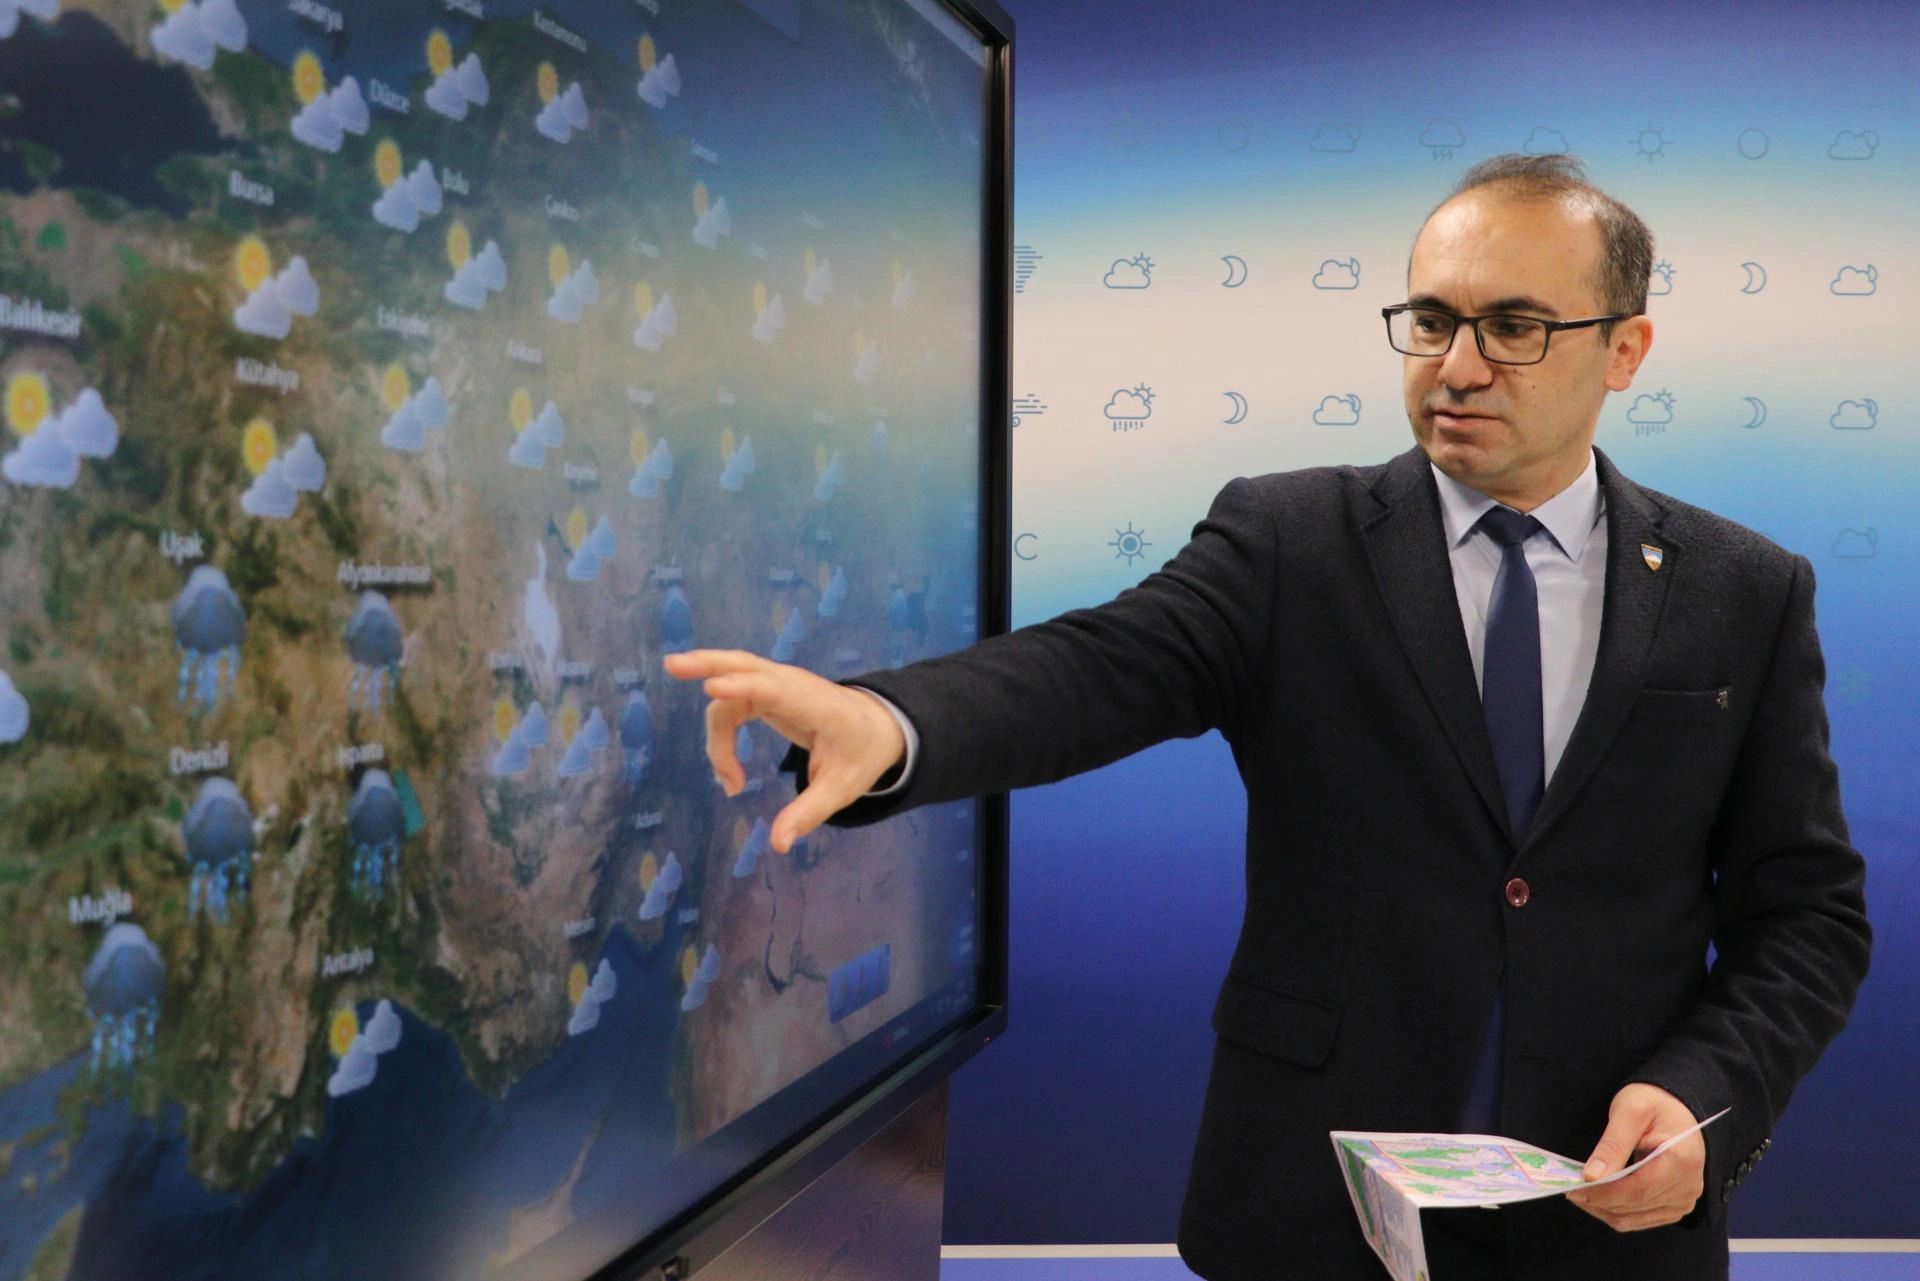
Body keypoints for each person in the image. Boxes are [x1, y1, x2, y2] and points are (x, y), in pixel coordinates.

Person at [663, 154, 1872, 1280]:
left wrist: (1705, 1094)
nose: (1457, 366)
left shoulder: (1743, 592)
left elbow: (1807, 914)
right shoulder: (1292, 542)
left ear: (1624, 350)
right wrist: (893, 723)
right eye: (1432, 320)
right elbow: (1098, 667)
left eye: (1514, 327)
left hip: (1606, 1229)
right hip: (1313, 1220)